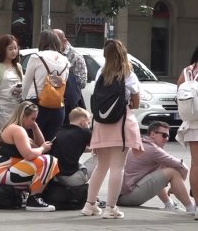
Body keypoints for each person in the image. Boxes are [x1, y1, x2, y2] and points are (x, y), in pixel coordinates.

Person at [82, 39, 144, 219]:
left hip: (101, 124)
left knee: (101, 166)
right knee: (118, 166)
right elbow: (136, 102)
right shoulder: (128, 73)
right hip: (120, 123)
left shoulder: (101, 73)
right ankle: (110, 208)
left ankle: (89, 205)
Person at [0, 101, 59, 211]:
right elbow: (29, 154)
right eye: (32, 119)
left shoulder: (13, 128)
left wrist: (35, 127)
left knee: (44, 162)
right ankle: (34, 199)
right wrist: (43, 148)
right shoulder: (17, 130)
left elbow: (39, 144)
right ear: (23, 116)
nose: (34, 122)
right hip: (2, 173)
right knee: (49, 160)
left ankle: (30, 196)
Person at [117, 121, 194, 212]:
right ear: (153, 134)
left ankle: (170, 204)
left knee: (159, 171)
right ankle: (191, 208)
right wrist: (178, 183)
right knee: (172, 172)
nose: (167, 139)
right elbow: (181, 166)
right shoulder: (152, 149)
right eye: (164, 135)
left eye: (168, 136)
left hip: (121, 197)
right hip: (127, 197)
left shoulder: (143, 143)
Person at [21, 30, 69, 141]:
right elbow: (64, 82)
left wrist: (22, 101)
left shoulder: (36, 57)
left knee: (31, 141)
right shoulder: (65, 60)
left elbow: (26, 83)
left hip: (36, 105)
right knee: (50, 143)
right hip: (58, 106)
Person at [0, 34, 24, 130]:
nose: (14, 51)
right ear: (3, 49)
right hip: (1, 111)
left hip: (16, 109)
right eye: (10, 49)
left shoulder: (18, 66)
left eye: (15, 48)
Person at [177, 46, 198, 218]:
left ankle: (197, 206)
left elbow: (178, 90)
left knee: (196, 165)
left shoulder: (187, 71)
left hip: (192, 122)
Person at [50, 107, 94, 187]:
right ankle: (92, 195)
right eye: (88, 123)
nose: (88, 126)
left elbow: (76, 147)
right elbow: (101, 144)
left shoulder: (60, 131)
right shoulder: (83, 132)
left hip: (57, 178)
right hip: (73, 179)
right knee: (103, 157)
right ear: (83, 122)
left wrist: (92, 149)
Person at [53, 28, 88, 122]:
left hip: (68, 103)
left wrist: (65, 80)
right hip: (52, 100)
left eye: (56, 41)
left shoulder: (75, 56)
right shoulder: (51, 54)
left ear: (64, 41)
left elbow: (83, 82)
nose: (53, 45)